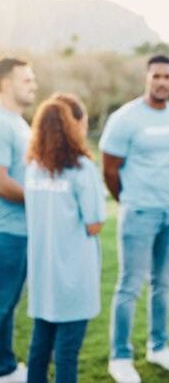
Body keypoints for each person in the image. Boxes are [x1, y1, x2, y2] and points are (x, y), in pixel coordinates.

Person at [100, 55, 169, 383]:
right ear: (147, 78)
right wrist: (128, 199)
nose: (162, 82)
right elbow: (109, 169)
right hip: (138, 213)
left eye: (168, 76)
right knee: (129, 285)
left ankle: (159, 347)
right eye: (157, 76)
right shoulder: (125, 118)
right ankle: (120, 356)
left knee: (163, 284)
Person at [24, 93, 105, 383]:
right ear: (71, 127)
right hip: (72, 274)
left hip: (42, 274)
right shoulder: (81, 169)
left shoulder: (32, 168)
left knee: (39, 348)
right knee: (67, 352)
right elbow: (94, 223)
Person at [0, 58, 37, 383]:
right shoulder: (1, 123)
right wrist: (45, 202)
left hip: (20, 231)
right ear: (5, 83)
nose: (33, 85)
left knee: (7, 304)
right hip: (6, 232)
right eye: (26, 80)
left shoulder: (18, 122)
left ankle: (6, 366)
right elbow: (1, 181)